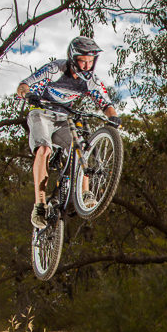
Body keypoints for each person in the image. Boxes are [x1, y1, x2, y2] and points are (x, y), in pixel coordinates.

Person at [17, 36, 121, 229]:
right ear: (73, 58)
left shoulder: (90, 80)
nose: (87, 66)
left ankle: (85, 193)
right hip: (41, 113)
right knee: (44, 150)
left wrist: (113, 117)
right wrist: (28, 94)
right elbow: (24, 85)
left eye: (91, 62)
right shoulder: (55, 69)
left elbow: (106, 103)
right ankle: (39, 205)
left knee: (82, 148)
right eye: (83, 61)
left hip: (65, 118)